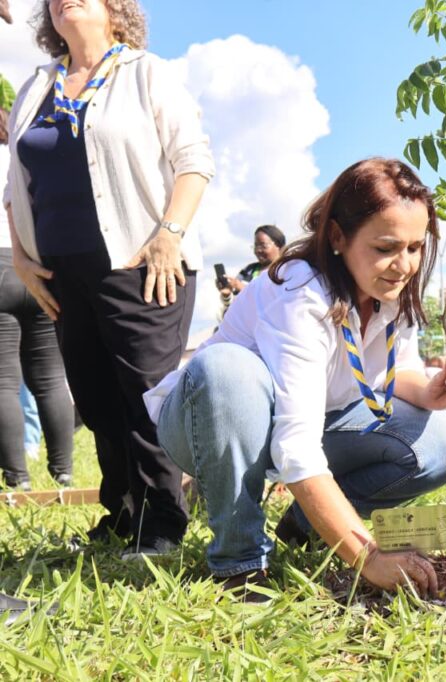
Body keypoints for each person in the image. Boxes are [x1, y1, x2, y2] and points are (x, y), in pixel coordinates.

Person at [145, 158, 446, 600]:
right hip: (209, 423)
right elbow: (295, 446)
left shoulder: (390, 294)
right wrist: (369, 558)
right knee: (228, 370)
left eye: (415, 247)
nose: (404, 264)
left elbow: (398, 371)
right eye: (386, 247)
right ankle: (239, 561)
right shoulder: (301, 292)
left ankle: (306, 523)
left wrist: (428, 390)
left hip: (316, 421)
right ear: (338, 236)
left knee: (443, 442)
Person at [5, 0, 214, 555]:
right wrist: (22, 260)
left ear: (114, 8)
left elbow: (193, 161)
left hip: (141, 264)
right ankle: (122, 513)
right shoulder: (37, 86)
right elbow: (16, 183)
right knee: (96, 400)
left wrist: (169, 234)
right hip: (61, 274)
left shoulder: (146, 72)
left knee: (146, 396)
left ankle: (163, 522)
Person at [1, 90, 76, 490]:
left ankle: (18, 480)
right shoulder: (23, 152)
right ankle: (64, 472)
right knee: (49, 376)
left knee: (2, 382)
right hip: (39, 266)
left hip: (0, 271)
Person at [217, 224, 286, 315]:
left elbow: (276, 301)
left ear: (279, 246)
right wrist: (227, 294)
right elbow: (233, 307)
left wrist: (243, 288)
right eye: (256, 246)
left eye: (263, 246)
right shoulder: (248, 270)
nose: (258, 250)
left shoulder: (285, 270)